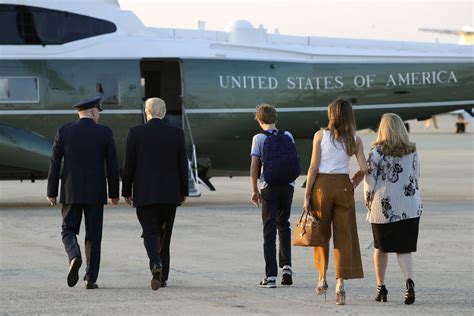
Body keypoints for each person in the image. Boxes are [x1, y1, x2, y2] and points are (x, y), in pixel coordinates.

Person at [47, 97, 120, 289]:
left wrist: (51, 191)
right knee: (94, 235)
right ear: (94, 112)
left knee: (68, 229)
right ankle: (90, 278)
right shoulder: (105, 133)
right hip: (96, 193)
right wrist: (114, 193)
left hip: (71, 191)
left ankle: (74, 255)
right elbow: (112, 166)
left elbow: (54, 163)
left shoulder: (64, 131)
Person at [302, 97, 367, 305]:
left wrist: (306, 195)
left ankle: (322, 278)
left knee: (321, 234)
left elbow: (313, 167)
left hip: (321, 186)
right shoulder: (355, 140)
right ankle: (340, 284)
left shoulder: (320, 135)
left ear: (331, 115)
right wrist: (355, 181)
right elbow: (364, 168)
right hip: (343, 185)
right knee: (344, 235)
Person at [122, 97, 188, 290]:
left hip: (145, 193)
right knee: (165, 235)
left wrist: (126, 191)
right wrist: (183, 190)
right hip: (170, 194)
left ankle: (155, 263)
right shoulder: (176, 133)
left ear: (146, 112)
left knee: (150, 232)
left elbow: (129, 165)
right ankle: (163, 275)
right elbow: (182, 164)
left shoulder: (135, 133)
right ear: (164, 112)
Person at [364, 113, 422, 305]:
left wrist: (367, 200)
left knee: (381, 248)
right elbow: (417, 174)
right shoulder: (412, 150)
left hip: (384, 208)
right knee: (404, 249)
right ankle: (409, 282)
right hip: (409, 206)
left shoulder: (377, 152)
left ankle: (381, 288)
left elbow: (370, 180)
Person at [250, 104, 300, 288]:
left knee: (269, 229)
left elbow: (255, 167)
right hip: (287, 186)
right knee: (284, 224)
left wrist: (254, 190)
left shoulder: (258, 138)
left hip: (268, 187)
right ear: (276, 119)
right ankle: (287, 267)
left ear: (259, 120)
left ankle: (270, 276)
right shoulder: (287, 135)